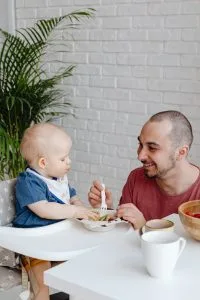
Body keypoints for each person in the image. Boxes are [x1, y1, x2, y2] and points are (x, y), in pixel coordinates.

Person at [13, 123, 98, 300]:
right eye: (63, 158)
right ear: (43, 162)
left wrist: (82, 209)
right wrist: (74, 211)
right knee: (42, 288)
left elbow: (71, 197)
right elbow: (43, 209)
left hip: (59, 241)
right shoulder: (29, 182)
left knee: (82, 274)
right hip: (34, 245)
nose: (69, 161)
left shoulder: (58, 179)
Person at [88, 110, 200, 230]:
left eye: (152, 148)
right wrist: (106, 210)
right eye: (141, 144)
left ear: (181, 153)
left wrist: (144, 227)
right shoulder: (136, 178)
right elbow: (124, 235)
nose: (140, 156)